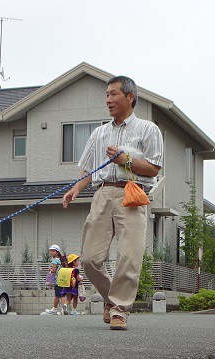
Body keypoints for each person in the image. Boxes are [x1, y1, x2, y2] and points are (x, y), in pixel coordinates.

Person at [62, 76, 163, 330]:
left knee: (129, 256)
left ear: (130, 97)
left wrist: (125, 159)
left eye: (114, 94)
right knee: (89, 259)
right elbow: (88, 169)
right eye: (106, 95)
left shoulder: (148, 129)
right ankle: (111, 298)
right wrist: (75, 189)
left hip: (133, 194)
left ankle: (120, 309)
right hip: (103, 193)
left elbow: (153, 168)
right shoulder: (99, 133)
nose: (108, 100)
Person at [44, 244, 65, 315]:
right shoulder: (61, 260)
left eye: (53, 251)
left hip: (57, 280)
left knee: (57, 295)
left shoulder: (55, 260)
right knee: (62, 295)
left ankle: (54, 309)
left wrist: (50, 270)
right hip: (63, 279)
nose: (51, 252)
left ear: (57, 252)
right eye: (50, 251)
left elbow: (54, 271)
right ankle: (63, 309)